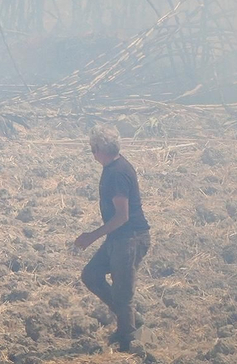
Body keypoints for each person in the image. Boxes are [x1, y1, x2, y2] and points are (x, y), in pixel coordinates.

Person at [75, 125, 152, 352]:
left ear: (101, 149)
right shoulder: (113, 167)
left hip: (130, 238)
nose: (92, 154)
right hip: (118, 238)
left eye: (93, 149)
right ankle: (130, 319)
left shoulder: (117, 174)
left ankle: (129, 341)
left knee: (123, 293)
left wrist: (91, 237)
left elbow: (122, 216)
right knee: (91, 275)